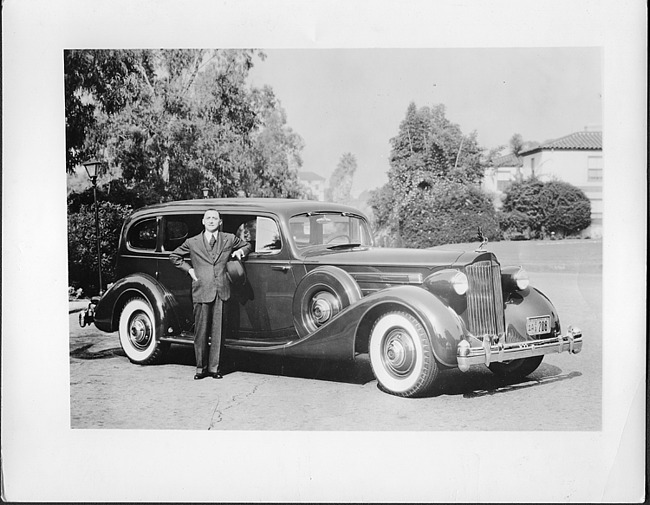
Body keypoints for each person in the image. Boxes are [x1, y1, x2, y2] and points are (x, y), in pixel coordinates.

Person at [169, 209, 251, 380]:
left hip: (222, 290)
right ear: (203, 221)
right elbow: (174, 256)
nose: (211, 221)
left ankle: (215, 368)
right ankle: (200, 368)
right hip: (201, 289)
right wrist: (189, 270)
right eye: (208, 218)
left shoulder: (228, 238)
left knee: (218, 332)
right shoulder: (192, 242)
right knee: (201, 331)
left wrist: (239, 252)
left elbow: (247, 245)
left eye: (215, 218)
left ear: (220, 222)